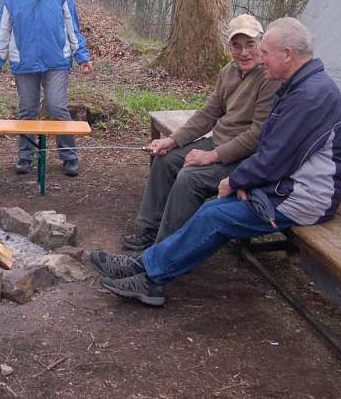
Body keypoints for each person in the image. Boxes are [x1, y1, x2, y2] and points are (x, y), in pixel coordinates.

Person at [91, 18, 341, 307]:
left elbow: (273, 156)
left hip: (304, 196)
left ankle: (151, 277)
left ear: (287, 54)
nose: (259, 58)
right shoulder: (299, 86)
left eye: (263, 51)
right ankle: (146, 264)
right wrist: (249, 182)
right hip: (283, 185)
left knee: (214, 215)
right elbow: (276, 153)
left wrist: (237, 180)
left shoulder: (311, 96)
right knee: (213, 210)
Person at [119, 14, 281, 251]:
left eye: (250, 44)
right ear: (229, 47)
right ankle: (149, 229)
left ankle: (165, 251)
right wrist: (173, 140)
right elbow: (208, 113)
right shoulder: (228, 72)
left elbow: (257, 135)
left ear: (261, 43)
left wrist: (211, 156)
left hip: (243, 158)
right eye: (237, 46)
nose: (244, 52)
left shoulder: (269, 79)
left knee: (189, 177)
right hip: (217, 141)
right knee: (164, 159)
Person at [0, 0, 92, 177]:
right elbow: (3, 31)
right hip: (24, 63)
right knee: (27, 111)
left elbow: (72, 26)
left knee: (57, 107)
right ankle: (26, 157)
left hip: (56, 61)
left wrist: (82, 55)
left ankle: (69, 157)